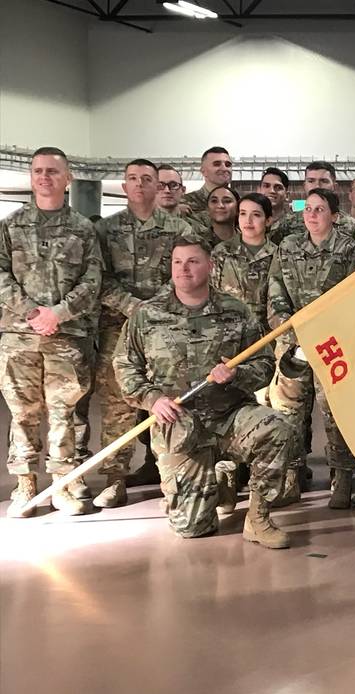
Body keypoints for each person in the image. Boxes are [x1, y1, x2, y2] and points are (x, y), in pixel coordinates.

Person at [113, 239, 295, 548]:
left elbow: (265, 363)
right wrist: (152, 399)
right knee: (193, 528)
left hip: (230, 416)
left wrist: (237, 375)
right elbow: (124, 366)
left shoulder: (235, 311)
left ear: (210, 266)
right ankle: (220, 479)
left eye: (193, 261)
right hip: (181, 426)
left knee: (276, 428)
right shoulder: (148, 315)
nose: (184, 269)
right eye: (177, 262)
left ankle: (258, 517)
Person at [1, 147, 102, 518]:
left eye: (53, 171)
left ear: (68, 178)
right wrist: (31, 312)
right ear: (31, 177)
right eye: (38, 171)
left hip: (67, 335)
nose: (45, 177)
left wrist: (57, 314)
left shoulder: (83, 229)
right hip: (19, 335)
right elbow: (0, 275)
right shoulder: (10, 226)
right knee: (22, 412)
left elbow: (92, 281)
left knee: (67, 412)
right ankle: (25, 482)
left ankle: (65, 481)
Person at [92, 158, 194, 509]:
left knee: (168, 404)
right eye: (132, 179)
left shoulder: (179, 228)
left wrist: (155, 310)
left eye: (146, 179)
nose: (139, 184)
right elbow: (96, 279)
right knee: (117, 405)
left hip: (166, 332)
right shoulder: (105, 230)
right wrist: (132, 307)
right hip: (117, 330)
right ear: (124, 186)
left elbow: (186, 275)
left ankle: (173, 476)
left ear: (157, 186)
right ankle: (115, 478)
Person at [268, 188, 355, 508]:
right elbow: (275, 293)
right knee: (288, 413)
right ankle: (291, 475)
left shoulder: (349, 249)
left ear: (334, 216)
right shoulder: (287, 246)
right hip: (293, 342)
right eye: (308, 209)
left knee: (336, 413)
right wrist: (289, 326)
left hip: (332, 344)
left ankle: (342, 478)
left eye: (320, 209)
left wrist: (327, 330)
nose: (311, 215)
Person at [212, 192, 276, 330]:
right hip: (229, 333)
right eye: (243, 213)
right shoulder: (222, 252)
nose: (248, 220)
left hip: (267, 336)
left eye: (256, 215)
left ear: (268, 220)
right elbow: (211, 295)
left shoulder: (278, 255)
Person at [180, 146, 233, 221]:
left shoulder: (239, 204)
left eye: (228, 165)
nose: (224, 168)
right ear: (203, 171)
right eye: (217, 164)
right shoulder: (185, 203)